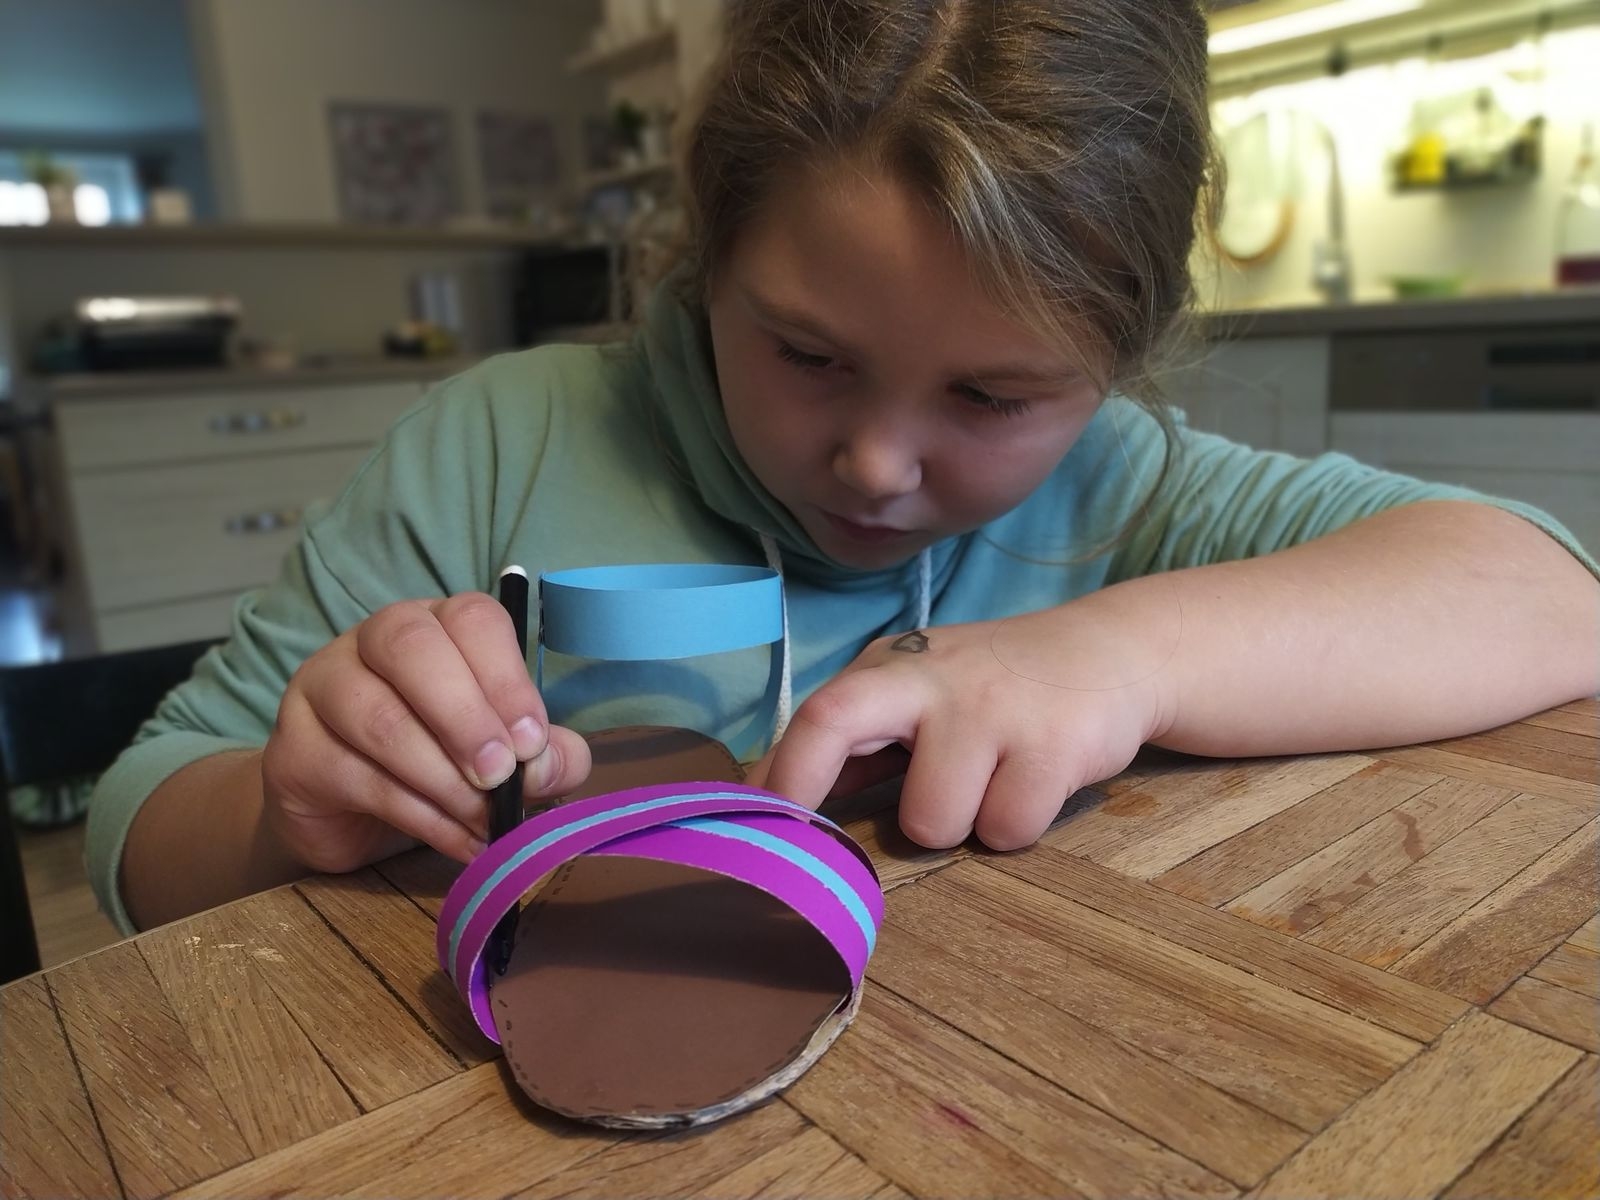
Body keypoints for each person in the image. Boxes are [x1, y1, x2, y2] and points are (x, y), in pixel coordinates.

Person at [90, 0, 1600, 933]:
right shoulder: (493, 448)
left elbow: (1549, 591)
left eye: (994, 394)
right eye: (808, 354)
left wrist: (1116, 655)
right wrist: (285, 815)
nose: (877, 464)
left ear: (1117, 364)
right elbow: (137, 826)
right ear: (708, 253)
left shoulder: (1131, 489)